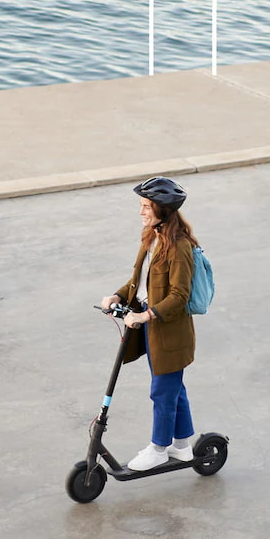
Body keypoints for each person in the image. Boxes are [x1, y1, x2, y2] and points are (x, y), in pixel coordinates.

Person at [98, 176, 199, 471]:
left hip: (169, 334)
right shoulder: (151, 237)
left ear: (163, 210)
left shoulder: (179, 247)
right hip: (152, 332)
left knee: (163, 391)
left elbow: (180, 295)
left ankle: (159, 448)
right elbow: (138, 282)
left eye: (146, 206)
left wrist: (146, 315)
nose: (141, 212)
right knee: (173, 388)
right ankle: (182, 446)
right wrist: (117, 296)